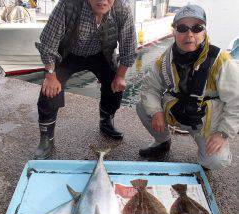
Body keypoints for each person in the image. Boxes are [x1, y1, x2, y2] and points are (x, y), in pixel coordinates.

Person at [136, 4, 239, 170]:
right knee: (143, 107)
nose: (189, 34)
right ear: (174, 32)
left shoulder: (221, 61)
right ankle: (163, 142)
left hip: (205, 121)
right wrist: (156, 112)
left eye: (197, 28)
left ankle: (210, 151)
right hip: (177, 111)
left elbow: (236, 102)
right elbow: (149, 88)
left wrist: (222, 134)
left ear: (204, 32)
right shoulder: (164, 59)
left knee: (215, 161)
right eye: (182, 28)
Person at [34, 0, 136, 159]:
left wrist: (120, 76)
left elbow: (128, 46)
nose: (102, 1)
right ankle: (47, 138)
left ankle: (106, 121)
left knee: (114, 85)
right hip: (69, 54)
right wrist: (51, 75)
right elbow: (48, 44)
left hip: (101, 53)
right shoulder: (67, 5)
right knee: (50, 90)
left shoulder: (122, 9)